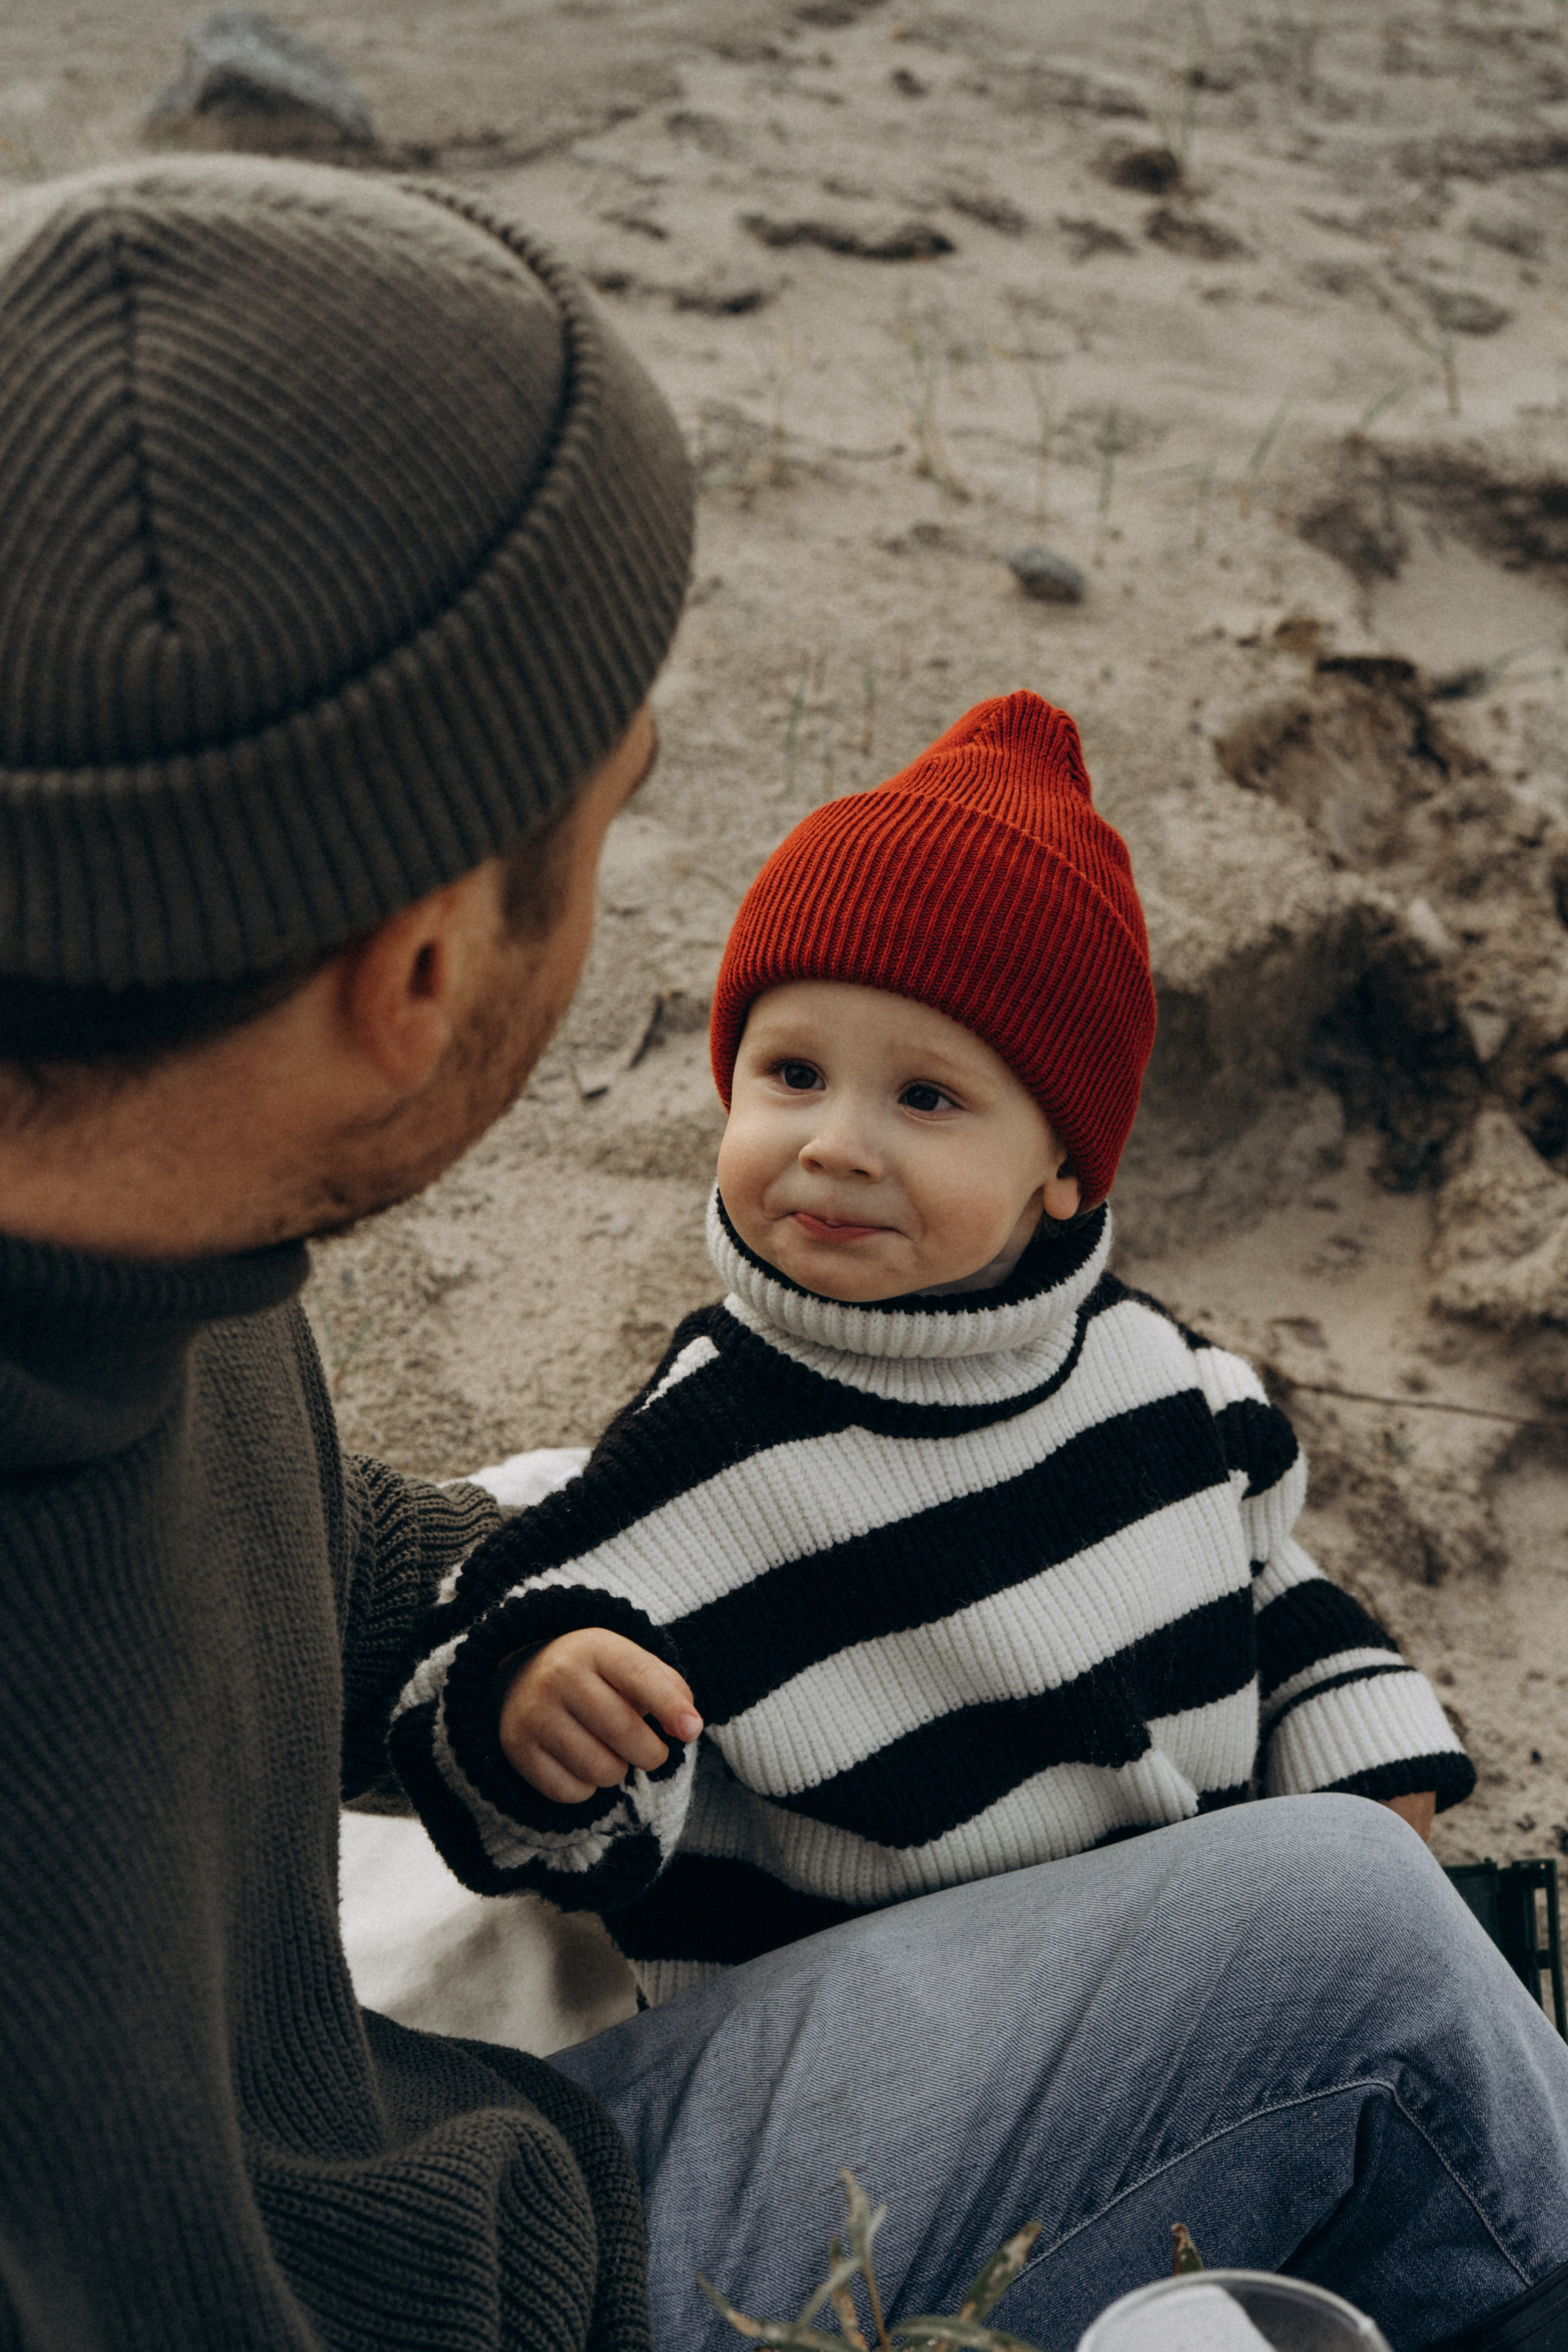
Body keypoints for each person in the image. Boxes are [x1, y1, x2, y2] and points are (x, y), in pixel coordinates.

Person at [0, 155, 1564, 2352]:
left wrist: (581, 1610)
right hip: (495, 2282)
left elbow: (232, 1549)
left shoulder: (120, 1204)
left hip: (401, 2147)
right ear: (423, 965)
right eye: (613, 808)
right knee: (1361, 1958)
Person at [391, 690, 1472, 2006]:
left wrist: (1374, 1781)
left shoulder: (1166, 1387)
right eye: (790, 1073)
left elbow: (1266, 1597)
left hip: (1175, 1969)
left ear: (1062, 1168)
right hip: (879, 2034)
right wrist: (531, 1711)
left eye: (924, 1097)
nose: (835, 1142)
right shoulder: (713, 1448)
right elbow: (496, 1671)